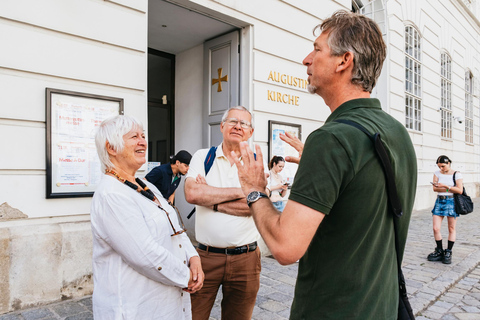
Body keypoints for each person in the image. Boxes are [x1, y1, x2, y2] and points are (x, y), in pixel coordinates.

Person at [233, 10, 417, 319]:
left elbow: (285, 247)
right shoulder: (396, 131)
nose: (307, 59)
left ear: (344, 61)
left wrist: (254, 190)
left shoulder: (332, 139)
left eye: (317, 49)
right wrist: (324, 171)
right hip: (381, 307)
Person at [90, 115, 203, 319]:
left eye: (143, 135)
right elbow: (145, 254)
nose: (143, 141)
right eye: (134, 136)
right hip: (136, 307)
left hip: (166, 304)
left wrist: (193, 257)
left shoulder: (145, 184)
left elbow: (174, 226)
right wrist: (187, 277)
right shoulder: (111, 194)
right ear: (111, 148)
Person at [184, 106, 261, 320]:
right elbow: (192, 193)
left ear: (250, 131)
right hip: (206, 257)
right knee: (193, 315)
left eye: (243, 123)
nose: (237, 126)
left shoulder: (256, 164)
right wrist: (243, 192)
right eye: (232, 121)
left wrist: (210, 198)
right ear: (222, 126)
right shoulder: (203, 157)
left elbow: (255, 207)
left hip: (245, 259)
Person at [427, 155, 462, 264]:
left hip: (451, 202)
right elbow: (435, 188)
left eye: (443, 166)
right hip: (439, 201)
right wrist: (450, 187)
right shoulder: (437, 173)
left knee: (451, 228)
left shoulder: (456, 174)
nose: (441, 168)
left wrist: (444, 186)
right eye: (439, 166)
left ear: (448, 163)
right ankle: (439, 250)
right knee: (436, 228)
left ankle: (448, 252)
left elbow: (459, 190)